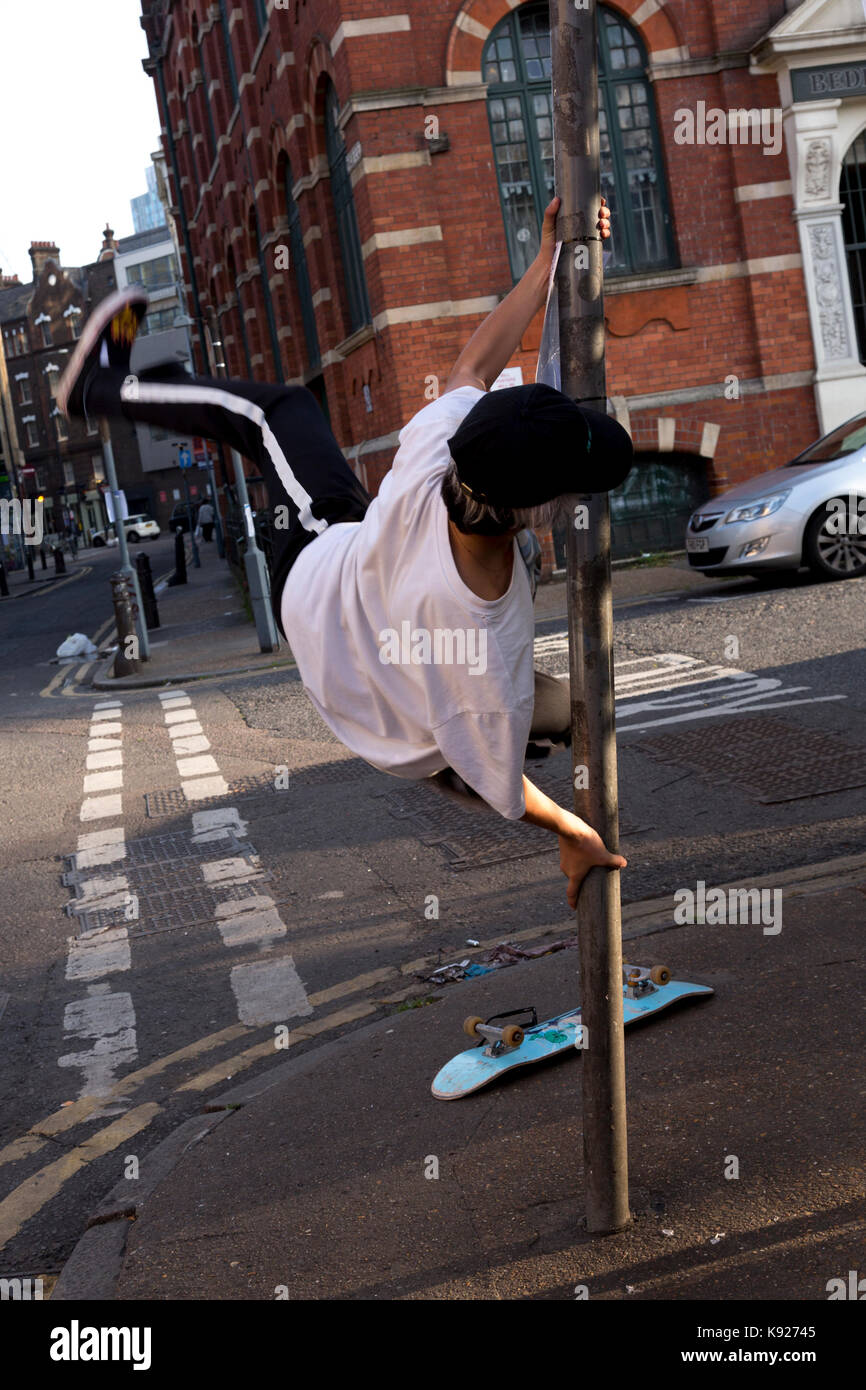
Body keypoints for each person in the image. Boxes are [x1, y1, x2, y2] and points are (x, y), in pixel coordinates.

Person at [58, 195, 632, 908]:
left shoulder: (444, 448)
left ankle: (143, 384)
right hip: (319, 583)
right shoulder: (473, 642)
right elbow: (500, 788)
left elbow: (476, 362)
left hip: (358, 614)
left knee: (289, 411)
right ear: (530, 518)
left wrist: (547, 258)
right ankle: (98, 388)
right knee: (277, 414)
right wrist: (571, 829)